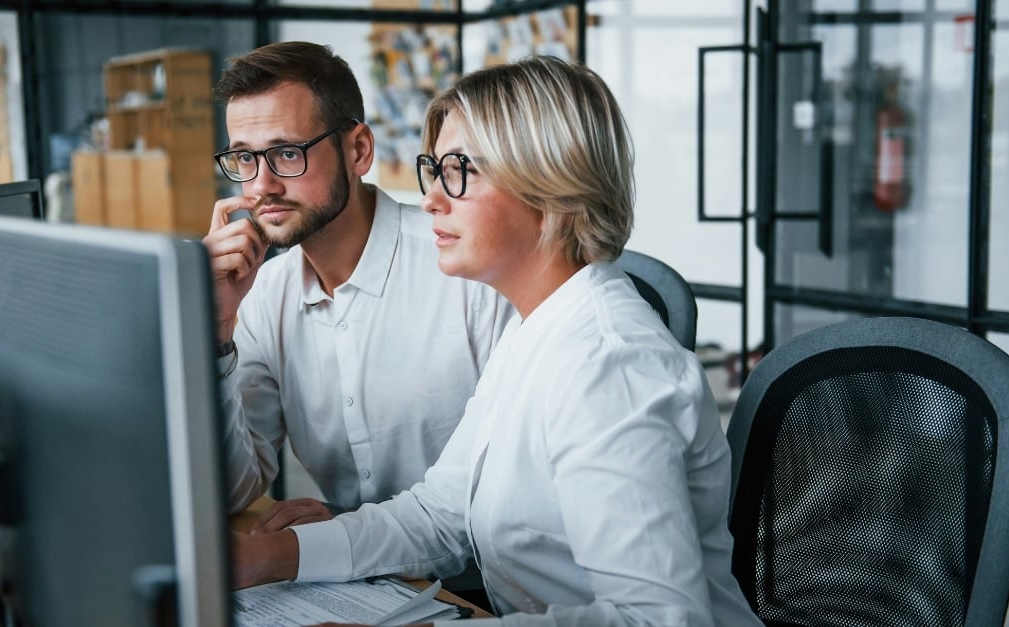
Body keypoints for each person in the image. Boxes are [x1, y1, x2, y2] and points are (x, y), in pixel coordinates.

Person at [230, 55, 763, 626]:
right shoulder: (535, 331)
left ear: (551, 184)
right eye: (434, 169)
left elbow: (659, 620)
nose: (432, 198)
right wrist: (269, 556)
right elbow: (441, 513)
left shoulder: (611, 365)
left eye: (461, 170)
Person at [206, 42, 512, 526]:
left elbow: (514, 489)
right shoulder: (265, 296)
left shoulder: (466, 270)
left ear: (358, 150)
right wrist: (218, 332)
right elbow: (231, 491)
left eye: (286, 153)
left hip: (481, 589)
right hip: (365, 584)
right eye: (245, 159)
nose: (261, 185)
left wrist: (345, 532)